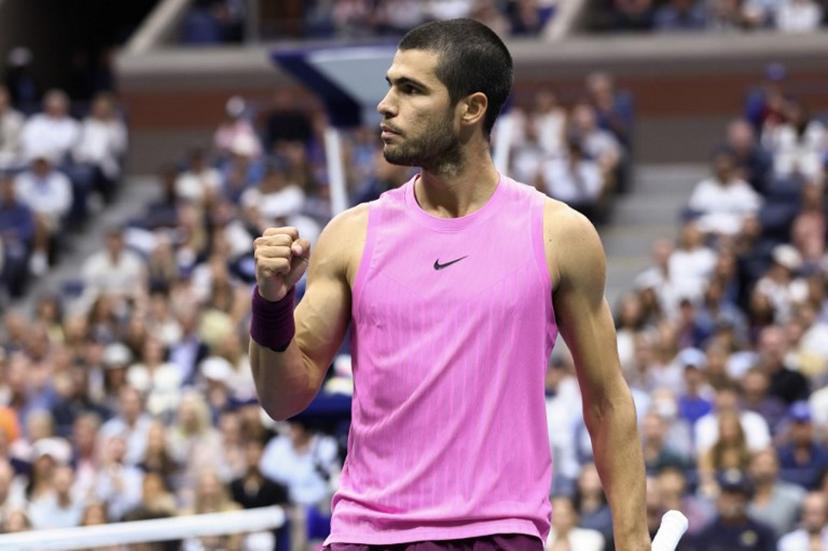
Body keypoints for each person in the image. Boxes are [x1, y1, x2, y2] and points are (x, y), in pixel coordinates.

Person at [249, 18, 649, 550]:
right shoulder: (351, 234)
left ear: (471, 109)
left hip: (496, 534)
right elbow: (282, 397)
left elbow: (607, 403)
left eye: (410, 89)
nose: (385, 104)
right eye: (391, 85)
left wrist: (633, 539)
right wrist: (272, 301)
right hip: (366, 535)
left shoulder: (559, 235)